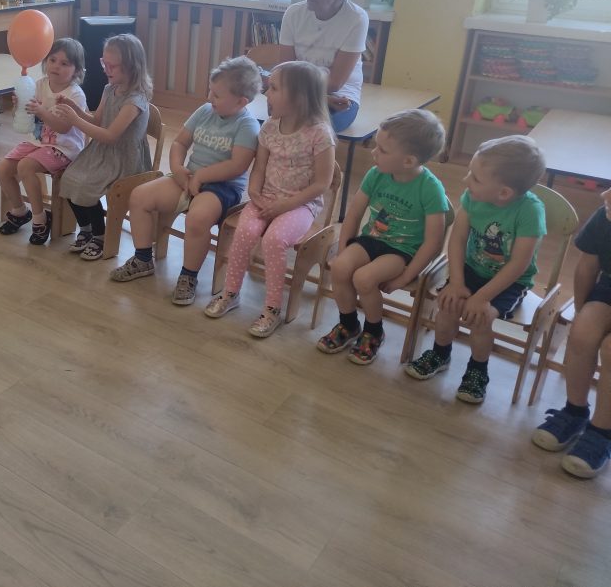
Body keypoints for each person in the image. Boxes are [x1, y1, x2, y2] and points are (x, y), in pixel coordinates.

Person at [405, 135, 547, 404]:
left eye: (476, 178)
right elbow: (458, 239)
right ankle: (440, 354)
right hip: (471, 269)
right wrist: (457, 283)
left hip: (508, 281)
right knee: (448, 305)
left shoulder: (530, 211)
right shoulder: (472, 197)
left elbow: (519, 264)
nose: (466, 180)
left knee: (481, 318)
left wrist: (482, 298)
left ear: (504, 193)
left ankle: (478, 370)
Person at [110, 57, 261, 308]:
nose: (210, 98)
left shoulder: (247, 125)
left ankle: (188, 276)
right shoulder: (205, 111)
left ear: (241, 102)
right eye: (210, 91)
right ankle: (143, 259)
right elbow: (180, 142)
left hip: (222, 187)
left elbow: (237, 166)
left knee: (198, 218)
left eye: (217, 95)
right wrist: (178, 169)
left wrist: (201, 177)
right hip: (188, 177)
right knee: (139, 196)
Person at [205, 61, 335, 336]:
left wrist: (285, 205)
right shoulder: (269, 128)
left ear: (299, 97)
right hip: (265, 198)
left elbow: (322, 184)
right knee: (245, 232)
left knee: (275, 240)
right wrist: (254, 194)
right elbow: (259, 169)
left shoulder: (320, 134)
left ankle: (272, 308)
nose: (266, 93)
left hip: (300, 205)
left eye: (274, 88)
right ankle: (231, 292)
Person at [316, 109, 448, 363]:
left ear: (408, 161)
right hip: (371, 240)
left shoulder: (430, 188)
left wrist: (406, 277)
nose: (374, 152)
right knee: (340, 268)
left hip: (401, 251)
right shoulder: (376, 174)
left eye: (383, 150)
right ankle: (348, 325)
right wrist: (344, 251)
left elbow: (433, 242)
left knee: (364, 279)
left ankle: (373, 331)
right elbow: (354, 215)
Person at [532, 188, 611, 479]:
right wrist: (581, 310)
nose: (605, 193)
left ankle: (602, 431)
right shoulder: (605, 215)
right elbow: (587, 267)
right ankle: (575, 411)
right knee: (582, 333)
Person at [53, 34, 152, 261]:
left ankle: (100, 235)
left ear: (131, 66)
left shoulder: (135, 100)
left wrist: (75, 121)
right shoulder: (110, 89)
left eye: (112, 65)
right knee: (69, 178)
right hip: (102, 151)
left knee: (87, 185)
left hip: (124, 159)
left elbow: (111, 136)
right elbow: (97, 121)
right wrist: (74, 107)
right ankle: (86, 229)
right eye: (103, 63)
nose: (106, 69)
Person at [0, 38, 88, 245]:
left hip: (64, 149)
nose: (56, 66)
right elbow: (26, 118)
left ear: (76, 70)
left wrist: (41, 111)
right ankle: (20, 211)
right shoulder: (39, 85)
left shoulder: (75, 94)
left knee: (25, 166)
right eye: (53, 60)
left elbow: (64, 128)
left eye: (64, 63)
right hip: (37, 143)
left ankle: (40, 220)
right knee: (2, 168)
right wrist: (19, 106)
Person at [277, 0, 370, 133]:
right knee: (277, 120)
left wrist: (317, 97)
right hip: (297, 93)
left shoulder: (357, 18)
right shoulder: (293, 13)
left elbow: (334, 83)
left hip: (341, 97)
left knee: (315, 128)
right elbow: (285, 71)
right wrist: (317, 97)